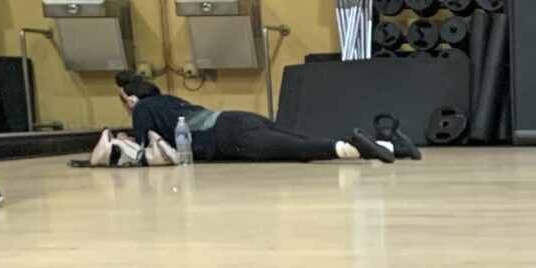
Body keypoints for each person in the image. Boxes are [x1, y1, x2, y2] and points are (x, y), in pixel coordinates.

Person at [93, 74, 421, 166]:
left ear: (131, 100)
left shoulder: (143, 110)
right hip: (236, 118)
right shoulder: (168, 100)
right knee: (300, 140)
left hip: (227, 138)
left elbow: (144, 149)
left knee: (296, 151)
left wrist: (122, 140)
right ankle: (394, 146)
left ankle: (354, 150)